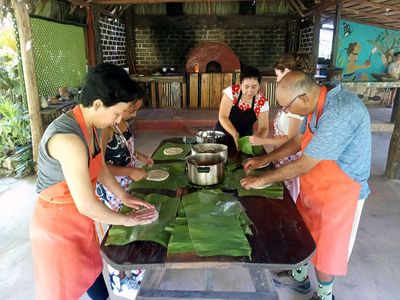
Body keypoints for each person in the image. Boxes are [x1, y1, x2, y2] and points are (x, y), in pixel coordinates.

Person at [30, 63, 158, 300]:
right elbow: (87, 205)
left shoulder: (91, 127)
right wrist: (126, 220)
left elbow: (98, 167)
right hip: (58, 229)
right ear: (97, 104)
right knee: (61, 291)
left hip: (80, 222)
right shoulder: (68, 139)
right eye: (117, 113)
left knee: (93, 280)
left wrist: (123, 196)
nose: (118, 119)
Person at [241, 71, 371, 300]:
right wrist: (265, 160)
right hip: (316, 182)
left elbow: (304, 163)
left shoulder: (340, 111)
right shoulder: (316, 104)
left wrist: (262, 179)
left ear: (301, 98)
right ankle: (299, 278)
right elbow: (298, 141)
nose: (286, 113)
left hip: (342, 190)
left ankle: (325, 295)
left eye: (286, 107)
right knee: (305, 234)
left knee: (328, 247)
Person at [96, 96, 154, 299]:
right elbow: (99, 166)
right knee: (117, 235)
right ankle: (119, 281)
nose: (134, 114)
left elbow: (125, 149)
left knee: (135, 226)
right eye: (132, 109)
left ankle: (138, 274)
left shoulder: (122, 122)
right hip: (112, 189)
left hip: (127, 185)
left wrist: (140, 156)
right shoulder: (106, 128)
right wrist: (129, 172)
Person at [249, 52, 313, 201]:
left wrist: (262, 141)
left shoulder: (297, 105)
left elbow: (292, 141)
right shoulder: (293, 99)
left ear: (289, 74)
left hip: (290, 161)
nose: (277, 80)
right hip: (282, 156)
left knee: (287, 198)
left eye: (278, 75)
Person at [214, 66, 269, 150]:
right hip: (222, 134)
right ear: (240, 85)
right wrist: (235, 134)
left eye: (254, 87)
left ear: (259, 85)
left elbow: (264, 128)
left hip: (244, 141)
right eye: (246, 87)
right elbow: (223, 116)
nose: (250, 91)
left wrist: (257, 139)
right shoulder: (232, 92)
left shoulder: (262, 102)